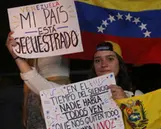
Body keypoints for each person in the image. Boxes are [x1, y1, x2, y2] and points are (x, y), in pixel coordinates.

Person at [6, 32, 143, 101]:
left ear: (120, 64)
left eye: (110, 59)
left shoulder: (136, 96)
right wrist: (17, 57)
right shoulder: (80, 94)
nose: (103, 64)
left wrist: (126, 104)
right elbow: (45, 89)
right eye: (97, 60)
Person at [23, 56, 70, 129]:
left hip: (59, 92)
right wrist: (25, 108)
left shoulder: (64, 47)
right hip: (37, 93)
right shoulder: (31, 51)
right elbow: (27, 80)